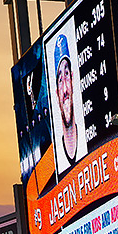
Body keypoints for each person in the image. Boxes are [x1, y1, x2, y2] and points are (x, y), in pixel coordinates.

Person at [52, 32, 83, 167]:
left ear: (72, 79)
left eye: (66, 75)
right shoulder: (55, 162)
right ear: (56, 93)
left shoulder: (88, 141)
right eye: (60, 80)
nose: (65, 89)